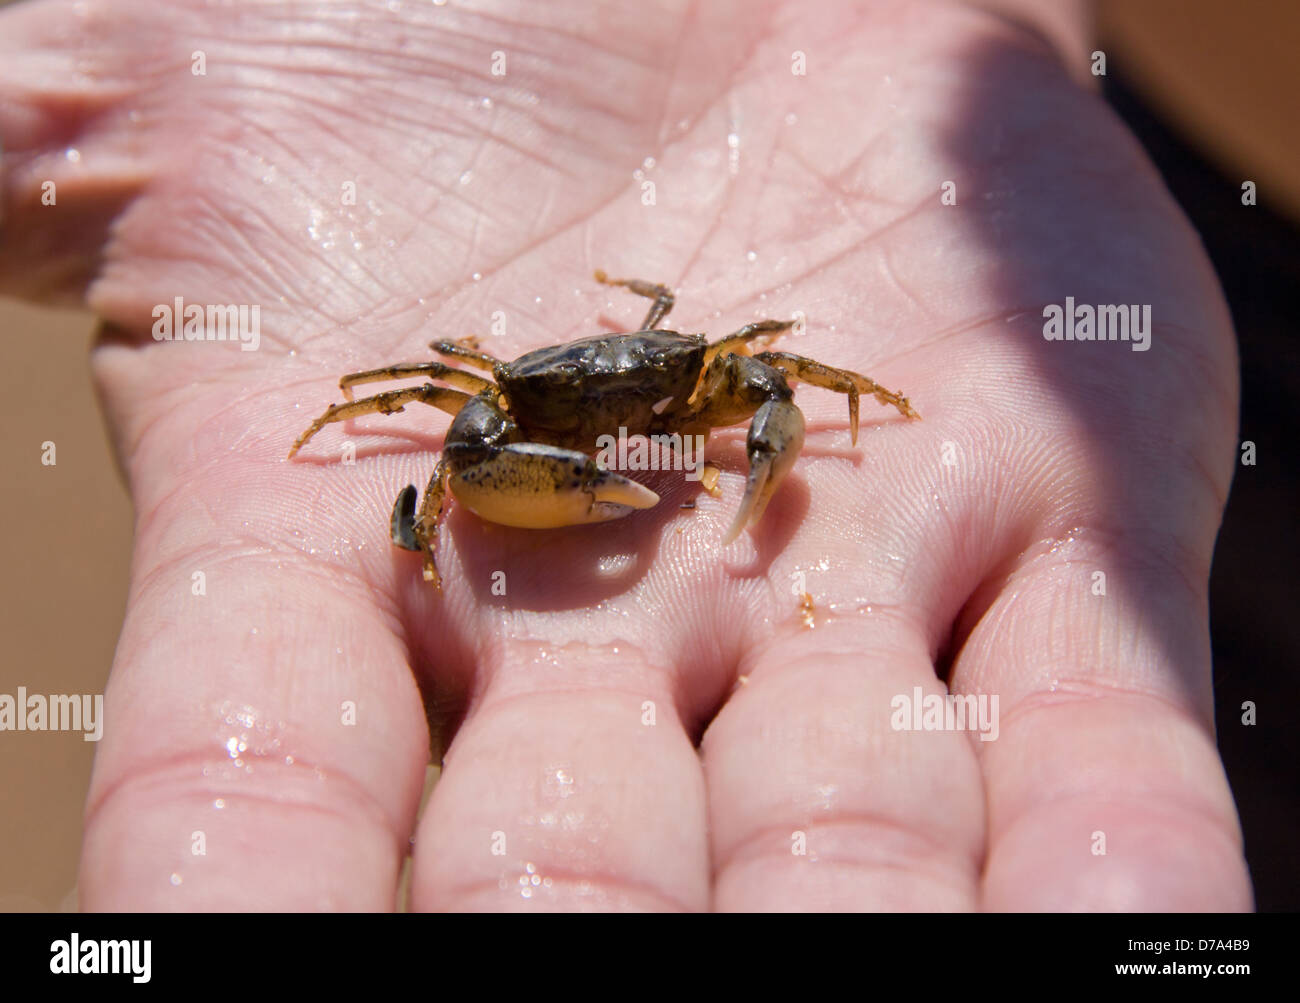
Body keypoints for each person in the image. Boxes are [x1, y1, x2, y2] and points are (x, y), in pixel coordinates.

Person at [0, 0, 1250, 910]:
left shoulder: (700, 374)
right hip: (1167, 102)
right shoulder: (506, 394)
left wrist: (784, 445)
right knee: (442, 437)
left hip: (1176, 163)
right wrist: (443, 509)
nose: (639, 427)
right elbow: (430, 431)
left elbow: (778, 378)